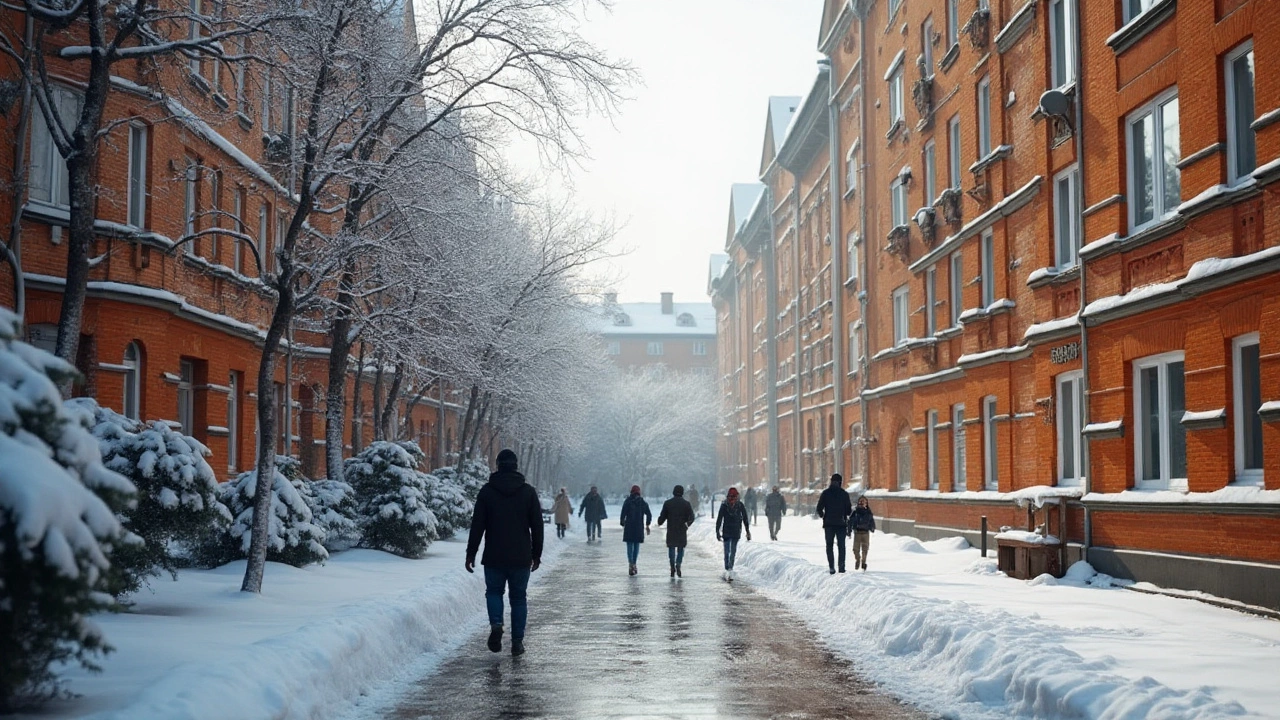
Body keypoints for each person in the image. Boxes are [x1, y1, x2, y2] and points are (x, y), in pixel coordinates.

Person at [465, 449, 543, 657]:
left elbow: (477, 525)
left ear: (498, 466)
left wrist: (471, 553)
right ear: (516, 466)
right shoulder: (528, 492)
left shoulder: (487, 492)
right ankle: (517, 641)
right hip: (520, 556)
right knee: (518, 598)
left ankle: (497, 625)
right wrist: (537, 554)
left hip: (494, 555)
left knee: (493, 592)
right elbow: (537, 526)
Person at [816, 473, 853, 574]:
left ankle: (831, 567)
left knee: (829, 546)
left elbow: (819, 507)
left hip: (829, 524)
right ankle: (841, 567)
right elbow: (849, 510)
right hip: (841, 524)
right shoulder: (844, 494)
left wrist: (823, 515)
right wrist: (845, 515)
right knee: (841, 546)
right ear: (840, 482)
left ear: (831, 481)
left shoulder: (825, 493)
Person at [657, 484, 695, 578]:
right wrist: (687, 524)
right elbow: (692, 517)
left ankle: (672, 565)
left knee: (671, 548)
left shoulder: (668, 503)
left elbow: (662, 517)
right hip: (682, 529)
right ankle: (678, 563)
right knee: (681, 548)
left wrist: (660, 521)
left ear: (673, 492)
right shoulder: (686, 504)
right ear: (682, 493)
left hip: (671, 529)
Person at [715, 487, 751, 581]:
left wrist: (717, 531)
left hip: (727, 530)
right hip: (735, 530)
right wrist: (747, 531)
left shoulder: (724, 505)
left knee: (727, 551)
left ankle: (727, 567)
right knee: (733, 551)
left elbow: (719, 519)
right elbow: (745, 519)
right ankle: (730, 568)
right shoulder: (740, 505)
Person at [619, 485, 652, 575]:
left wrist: (622, 522)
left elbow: (623, 513)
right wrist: (647, 524)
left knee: (629, 546)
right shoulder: (642, 502)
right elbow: (649, 514)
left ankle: (630, 563)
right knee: (636, 546)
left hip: (629, 526)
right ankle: (634, 563)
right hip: (638, 527)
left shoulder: (628, 501)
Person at [849, 495, 876, 571]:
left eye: (863, 502)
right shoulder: (855, 512)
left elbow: (871, 520)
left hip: (865, 533)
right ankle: (858, 559)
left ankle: (863, 562)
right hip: (857, 533)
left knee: (865, 549)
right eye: (860, 501)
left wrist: (872, 527)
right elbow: (850, 521)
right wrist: (849, 530)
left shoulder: (868, 512)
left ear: (866, 503)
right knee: (855, 549)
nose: (862, 503)